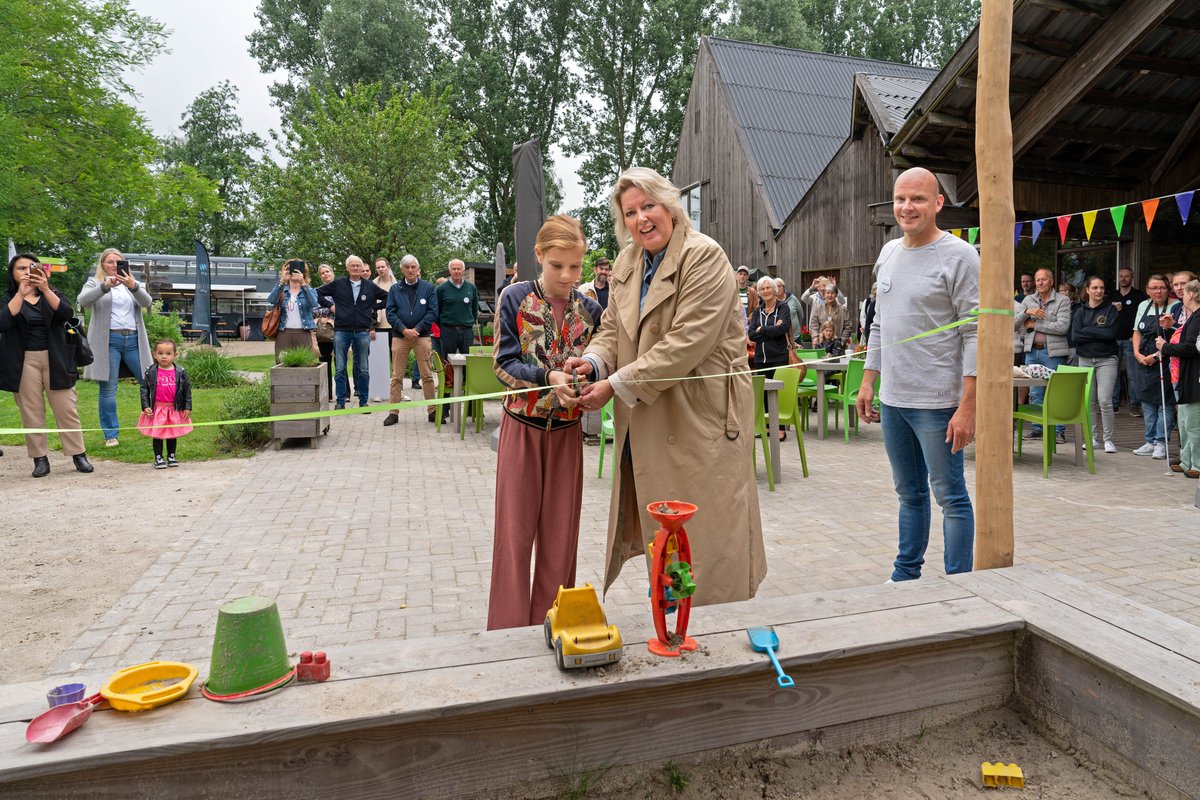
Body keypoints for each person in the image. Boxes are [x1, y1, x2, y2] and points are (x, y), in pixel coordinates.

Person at [566, 166, 765, 607]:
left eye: (649, 205)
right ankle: (672, 625)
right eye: (631, 212)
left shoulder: (705, 255)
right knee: (667, 544)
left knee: (709, 547)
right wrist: (594, 364)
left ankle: (720, 640)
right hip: (650, 413)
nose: (642, 219)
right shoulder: (627, 262)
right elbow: (612, 330)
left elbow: (686, 344)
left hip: (701, 420)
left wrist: (615, 385)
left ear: (670, 205)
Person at [856, 167, 978, 583]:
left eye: (918, 199)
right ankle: (906, 576)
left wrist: (968, 406)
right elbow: (878, 324)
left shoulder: (960, 256)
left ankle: (962, 586)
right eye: (901, 199)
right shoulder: (888, 253)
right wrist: (869, 379)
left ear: (938, 203)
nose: (907, 207)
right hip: (893, 400)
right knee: (909, 494)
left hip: (938, 404)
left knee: (951, 497)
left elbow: (974, 332)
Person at [487, 215, 603, 630]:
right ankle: (508, 633)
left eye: (576, 266)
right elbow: (502, 365)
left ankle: (554, 625)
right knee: (514, 541)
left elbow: (599, 364)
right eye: (557, 265)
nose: (568, 275)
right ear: (539, 256)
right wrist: (547, 377)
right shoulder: (515, 297)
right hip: (522, 430)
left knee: (560, 541)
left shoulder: (591, 309)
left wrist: (589, 384)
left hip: (568, 436)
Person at [0, 254, 94, 477]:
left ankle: (78, 454)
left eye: (30, 267)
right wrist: (21, 295)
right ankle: (40, 459)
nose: (25, 271)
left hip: (56, 358)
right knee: (31, 412)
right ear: (12, 273)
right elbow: (2, 322)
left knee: (66, 409)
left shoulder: (51, 293)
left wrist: (45, 289)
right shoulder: (8, 298)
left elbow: (66, 314)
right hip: (23, 361)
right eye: (20, 268)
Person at [77, 247, 153, 447]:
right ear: (102, 264)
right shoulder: (94, 282)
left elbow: (147, 302)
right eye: (109, 262)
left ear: (124, 264)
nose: (113, 265)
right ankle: (111, 434)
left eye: (118, 262)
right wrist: (105, 287)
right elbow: (82, 301)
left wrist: (133, 286)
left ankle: (157, 425)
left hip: (134, 340)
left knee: (151, 382)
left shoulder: (132, 283)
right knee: (108, 389)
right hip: (109, 342)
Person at [315, 255, 388, 410]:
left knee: (363, 368)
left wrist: (373, 308)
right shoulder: (338, 284)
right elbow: (318, 293)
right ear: (347, 268)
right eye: (352, 266)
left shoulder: (369, 286)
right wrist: (331, 306)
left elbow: (388, 297)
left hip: (362, 331)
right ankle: (340, 401)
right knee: (340, 368)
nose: (356, 268)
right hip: (341, 330)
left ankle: (363, 401)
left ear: (362, 268)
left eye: (358, 266)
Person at [1016, 268, 1071, 443]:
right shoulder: (1028, 300)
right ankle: (1037, 428)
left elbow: (1062, 327)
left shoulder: (1063, 300)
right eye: (1037, 280)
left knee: (1055, 392)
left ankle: (1058, 431)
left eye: (1043, 279)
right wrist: (1026, 313)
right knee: (1035, 392)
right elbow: (1014, 324)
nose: (1040, 283)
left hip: (1052, 352)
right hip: (1032, 351)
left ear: (1051, 281)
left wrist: (1035, 324)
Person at [382, 256, 438, 427]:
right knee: (397, 377)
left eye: (413, 266)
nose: (410, 270)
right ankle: (393, 412)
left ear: (418, 269)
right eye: (407, 267)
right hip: (400, 336)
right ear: (402, 269)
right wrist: (404, 329)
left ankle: (432, 411)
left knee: (427, 375)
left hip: (422, 336)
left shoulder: (429, 288)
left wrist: (418, 329)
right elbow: (390, 312)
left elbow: (433, 312)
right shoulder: (395, 289)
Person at [1130, 274, 1179, 459]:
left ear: (1168, 289)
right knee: (1148, 403)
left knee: (1164, 404)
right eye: (1154, 288)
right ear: (1148, 290)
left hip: (1165, 361)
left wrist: (1157, 355)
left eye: (1162, 288)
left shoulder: (1176, 305)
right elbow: (1137, 332)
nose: (1158, 291)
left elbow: (1177, 336)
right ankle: (1149, 441)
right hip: (1144, 360)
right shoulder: (1143, 305)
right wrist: (1137, 354)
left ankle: (1161, 442)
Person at [1071, 276, 1119, 453]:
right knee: (1089, 402)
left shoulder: (1111, 310)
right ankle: (1092, 438)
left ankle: (1109, 440)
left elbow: (1111, 334)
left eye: (1102, 287)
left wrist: (1087, 330)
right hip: (1084, 359)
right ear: (1088, 290)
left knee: (1105, 400)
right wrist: (1098, 332)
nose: (1099, 291)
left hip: (1107, 359)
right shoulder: (1079, 311)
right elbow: (1075, 337)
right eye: (1095, 288)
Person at [1158, 278, 1200, 478]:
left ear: (1191, 295)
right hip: (1184, 373)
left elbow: (1191, 347)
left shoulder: (1199, 317)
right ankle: (1186, 461)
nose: (1181, 295)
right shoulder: (1193, 316)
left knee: (1193, 423)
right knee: (1183, 421)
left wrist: (1165, 347)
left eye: (1184, 292)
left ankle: (1197, 465)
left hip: (1195, 375)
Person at [137, 339, 193, 469]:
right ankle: (158, 458)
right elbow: (144, 389)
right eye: (160, 353)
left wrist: (187, 406)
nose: (164, 356)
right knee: (158, 434)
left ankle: (171, 456)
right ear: (154, 354)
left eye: (168, 353)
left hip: (173, 409)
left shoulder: (180, 372)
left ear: (175, 355)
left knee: (171, 433)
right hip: (157, 409)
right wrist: (146, 406)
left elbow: (187, 390)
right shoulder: (151, 371)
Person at [1107, 266, 1146, 415]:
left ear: (1132, 278)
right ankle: (1113, 404)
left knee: (1133, 374)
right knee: (1113, 373)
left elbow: (1143, 317)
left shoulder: (1138, 295)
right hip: (1113, 339)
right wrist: (1111, 308)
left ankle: (1134, 405)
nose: (1123, 279)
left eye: (1126, 276)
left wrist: (1137, 335)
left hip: (1130, 340)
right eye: (1121, 276)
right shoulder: (1112, 295)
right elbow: (1104, 315)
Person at [266, 260, 320, 361]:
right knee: (281, 363)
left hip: (304, 333)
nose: (294, 272)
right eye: (290, 269)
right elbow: (271, 300)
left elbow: (313, 304)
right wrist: (283, 280)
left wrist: (303, 284)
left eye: (298, 269)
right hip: (284, 333)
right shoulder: (282, 290)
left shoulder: (310, 290)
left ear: (304, 272)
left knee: (305, 365)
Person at [314, 264, 337, 400]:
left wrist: (326, 311)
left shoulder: (340, 289)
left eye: (327, 271)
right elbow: (313, 309)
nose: (325, 274)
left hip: (338, 329)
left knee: (340, 362)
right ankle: (327, 394)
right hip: (322, 331)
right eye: (322, 273)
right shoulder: (316, 291)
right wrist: (327, 312)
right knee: (324, 362)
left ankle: (343, 394)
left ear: (332, 273)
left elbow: (343, 308)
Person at [808, 283, 851, 348]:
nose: (830, 295)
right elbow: (814, 325)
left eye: (832, 293)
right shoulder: (818, 308)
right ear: (824, 295)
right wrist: (815, 338)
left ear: (836, 295)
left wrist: (842, 341)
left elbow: (848, 327)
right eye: (827, 293)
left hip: (837, 345)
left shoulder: (843, 309)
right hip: (821, 344)